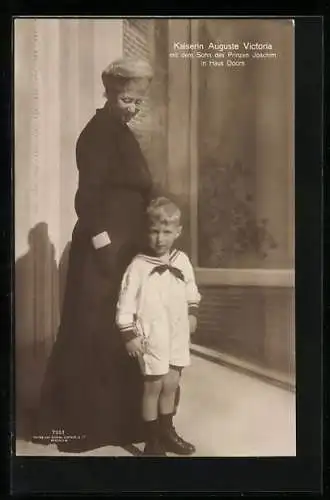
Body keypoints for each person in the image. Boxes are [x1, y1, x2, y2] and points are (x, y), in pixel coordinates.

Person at [32, 57, 174, 452]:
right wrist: (105, 250)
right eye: (129, 100)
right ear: (110, 93)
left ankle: (123, 423)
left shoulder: (121, 132)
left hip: (126, 247)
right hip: (103, 252)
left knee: (121, 331)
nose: (134, 108)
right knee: (93, 332)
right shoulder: (96, 133)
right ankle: (81, 426)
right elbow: (87, 200)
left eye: (139, 102)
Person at [116, 197, 201, 456]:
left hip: (177, 334)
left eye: (166, 232)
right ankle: (151, 440)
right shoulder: (138, 266)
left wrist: (192, 312)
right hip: (152, 335)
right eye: (154, 231)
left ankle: (167, 432)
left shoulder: (182, 260)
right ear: (146, 232)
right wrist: (129, 335)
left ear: (178, 232)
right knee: (153, 386)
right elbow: (125, 304)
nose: (160, 238)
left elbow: (191, 290)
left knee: (171, 384)